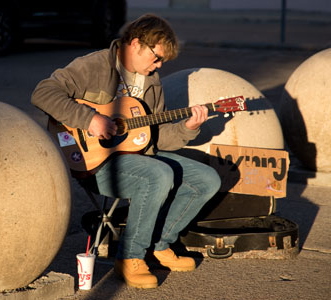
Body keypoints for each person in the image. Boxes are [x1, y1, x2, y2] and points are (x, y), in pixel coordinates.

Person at [31, 14, 221, 289]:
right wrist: (90, 119)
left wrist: (188, 128)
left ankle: (159, 244)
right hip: (94, 162)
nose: (158, 66)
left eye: (162, 62)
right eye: (156, 58)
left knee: (207, 179)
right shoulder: (95, 65)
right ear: (135, 44)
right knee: (158, 175)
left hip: (139, 159)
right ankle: (130, 257)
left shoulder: (153, 84)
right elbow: (43, 93)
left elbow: (153, 139)